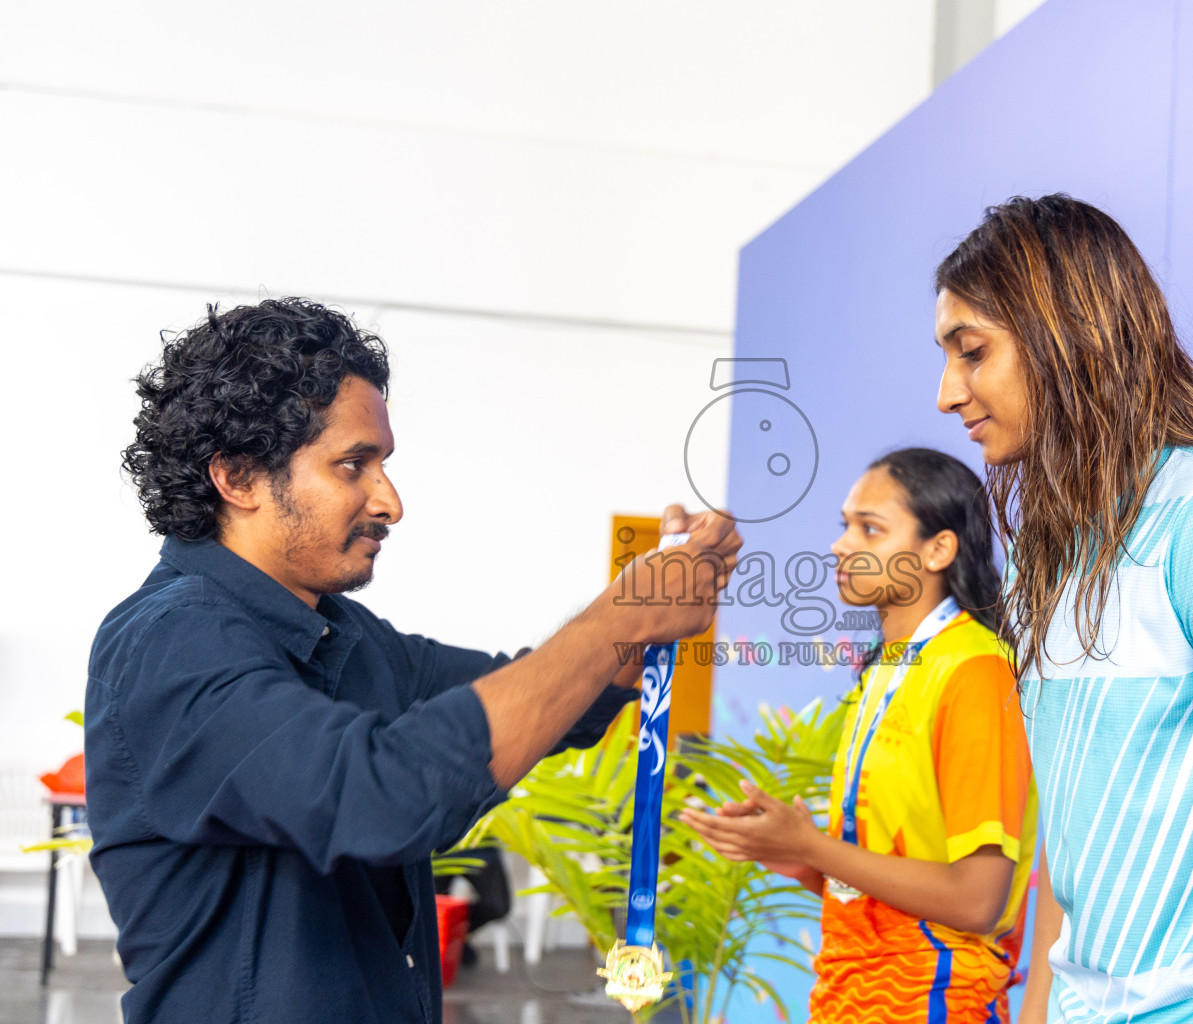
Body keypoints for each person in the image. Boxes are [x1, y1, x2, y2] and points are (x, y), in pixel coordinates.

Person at [86, 298, 741, 1023]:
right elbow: (380, 796)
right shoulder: (169, 643)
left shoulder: (347, 636)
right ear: (238, 478)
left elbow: (553, 703)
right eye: (352, 466)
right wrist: (619, 616)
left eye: (383, 465)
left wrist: (645, 612)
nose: (390, 503)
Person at [933, 195, 1193, 1024]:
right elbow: (1072, 832)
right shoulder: (1045, 557)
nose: (949, 392)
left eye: (972, 352)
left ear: (1066, 338)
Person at [684, 447, 1036, 1023]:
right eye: (845, 525)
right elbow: (886, 883)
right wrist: (792, 855)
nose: (840, 545)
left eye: (869, 529)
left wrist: (812, 846)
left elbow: (977, 900)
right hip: (851, 994)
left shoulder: (974, 668)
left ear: (938, 549)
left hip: (933, 999)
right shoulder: (887, 669)